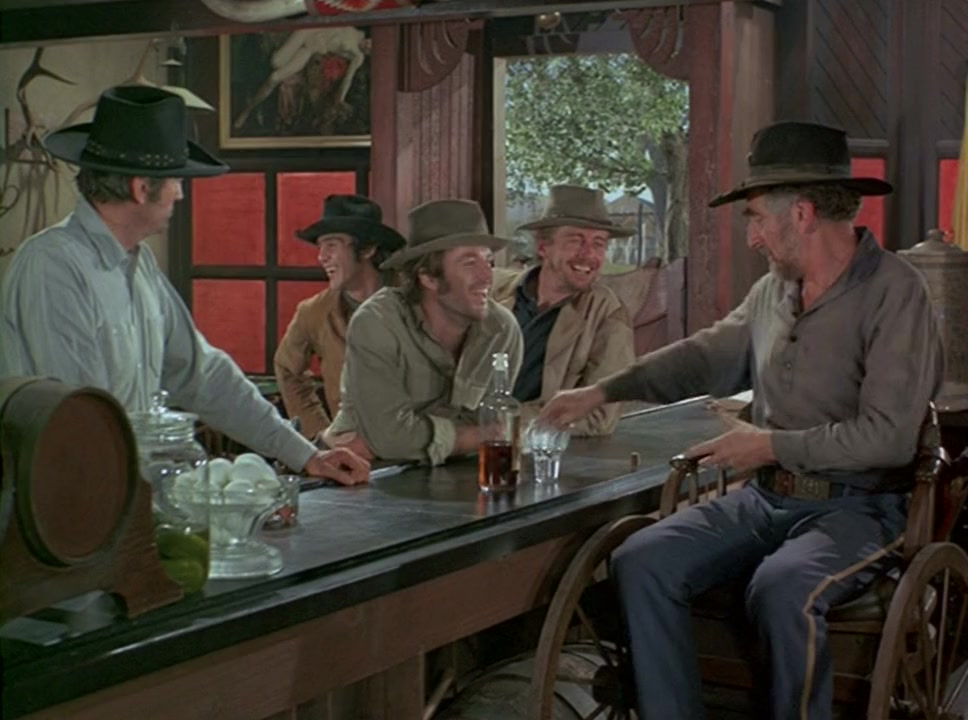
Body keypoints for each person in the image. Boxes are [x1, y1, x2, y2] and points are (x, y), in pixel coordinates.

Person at [538, 121, 943, 719]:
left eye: (755, 217)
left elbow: (888, 438)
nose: (751, 236)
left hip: (860, 509)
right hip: (764, 500)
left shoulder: (895, 292)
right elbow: (703, 357)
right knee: (639, 560)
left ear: (801, 213)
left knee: (783, 588)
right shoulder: (772, 293)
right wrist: (603, 390)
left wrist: (770, 446)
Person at [0, 86, 368, 486]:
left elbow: (201, 374)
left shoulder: (139, 266)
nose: (180, 192)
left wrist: (304, 454)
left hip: (123, 497)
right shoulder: (53, 266)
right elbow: (79, 421)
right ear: (141, 188)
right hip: (69, 501)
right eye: (175, 179)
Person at [325, 199, 523, 465]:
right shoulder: (378, 323)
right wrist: (475, 437)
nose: (487, 277)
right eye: (469, 263)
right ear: (428, 277)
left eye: (488, 261)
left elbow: (496, 423)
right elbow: (389, 438)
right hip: (361, 471)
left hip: (455, 472)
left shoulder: (501, 330)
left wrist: (413, 440)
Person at [491, 185, 634, 435]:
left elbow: (600, 416)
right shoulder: (491, 291)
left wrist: (496, 424)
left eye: (598, 243)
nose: (588, 254)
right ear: (543, 247)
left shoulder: (606, 313)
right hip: (452, 443)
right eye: (575, 240)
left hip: (531, 448)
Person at [273, 194, 404, 444]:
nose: (321, 256)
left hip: (418, 450)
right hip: (352, 452)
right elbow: (287, 369)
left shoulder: (415, 301)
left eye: (331, 245)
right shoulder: (314, 312)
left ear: (367, 249)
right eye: (320, 247)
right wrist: (320, 434)